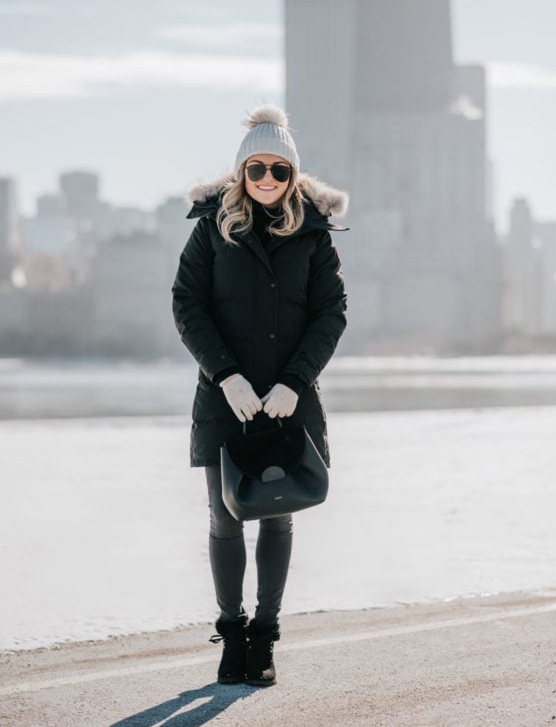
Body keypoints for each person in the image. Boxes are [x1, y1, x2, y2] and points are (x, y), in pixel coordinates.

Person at [172, 103, 347, 687]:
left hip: (290, 403)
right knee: (225, 521)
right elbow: (187, 305)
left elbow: (331, 313)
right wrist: (228, 376)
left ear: (293, 175)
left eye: (279, 170)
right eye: (256, 169)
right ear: (241, 172)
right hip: (227, 398)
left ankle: (265, 638)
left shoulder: (315, 235)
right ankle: (231, 634)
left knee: (278, 519)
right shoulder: (211, 228)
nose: (268, 179)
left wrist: (295, 382)